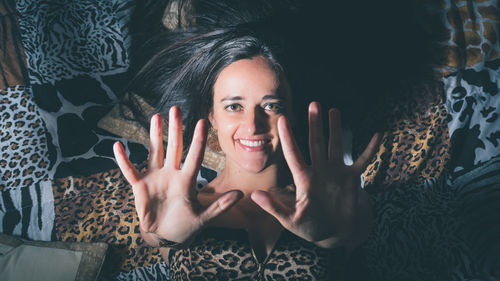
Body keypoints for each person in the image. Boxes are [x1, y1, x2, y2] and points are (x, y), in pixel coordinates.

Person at [113, 24, 380, 280]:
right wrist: (162, 236)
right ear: (212, 116)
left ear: (293, 113)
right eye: (233, 106)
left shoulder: (336, 202)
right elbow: (156, 234)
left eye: (271, 106)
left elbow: (355, 233)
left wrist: (332, 238)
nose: (253, 125)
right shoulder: (175, 208)